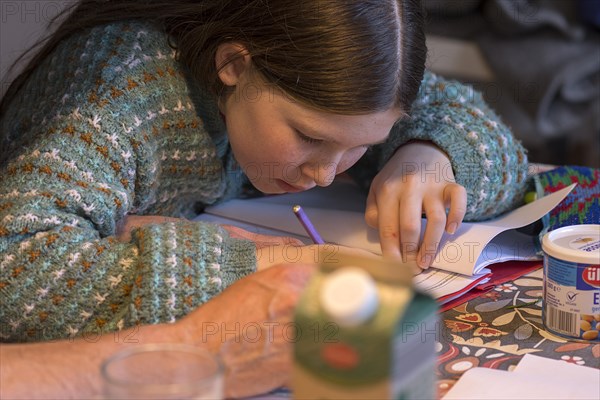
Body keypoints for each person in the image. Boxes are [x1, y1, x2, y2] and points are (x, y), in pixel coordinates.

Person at [1, 0, 527, 353]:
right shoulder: (117, 99)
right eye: (308, 137)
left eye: (361, 147)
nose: (324, 175)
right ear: (234, 64)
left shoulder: (325, 90)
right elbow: (14, 276)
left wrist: (427, 156)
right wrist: (256, 265)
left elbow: (480, 134)